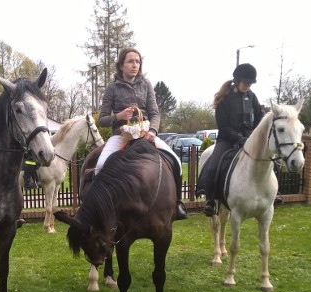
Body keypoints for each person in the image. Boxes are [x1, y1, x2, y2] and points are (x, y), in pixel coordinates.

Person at [97, 47, 188, 220]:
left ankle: (177, 204)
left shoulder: (146, 85)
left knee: (175, 160)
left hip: (146, 134)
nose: (135, 65)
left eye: (138, 62)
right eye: (131, 61)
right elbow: (101, 119)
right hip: (120, 135)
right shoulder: (112, 88)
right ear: (121, 65)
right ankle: (100, 206)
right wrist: (119, 116)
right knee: (100, 166)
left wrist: (153, 131)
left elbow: (155, 113)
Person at [202, 63, 265, 216]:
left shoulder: (252, 96)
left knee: (270, 161)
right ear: (237, 80)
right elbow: (223, 126)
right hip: (227, 140)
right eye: (246, 82)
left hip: (249, 140)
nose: (248, 86)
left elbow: (259, 117)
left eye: (250, 83)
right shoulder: (225, 98)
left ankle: (273, 194)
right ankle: (210, 201)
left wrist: (255, 135)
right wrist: (239, 138)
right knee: (213, 167)